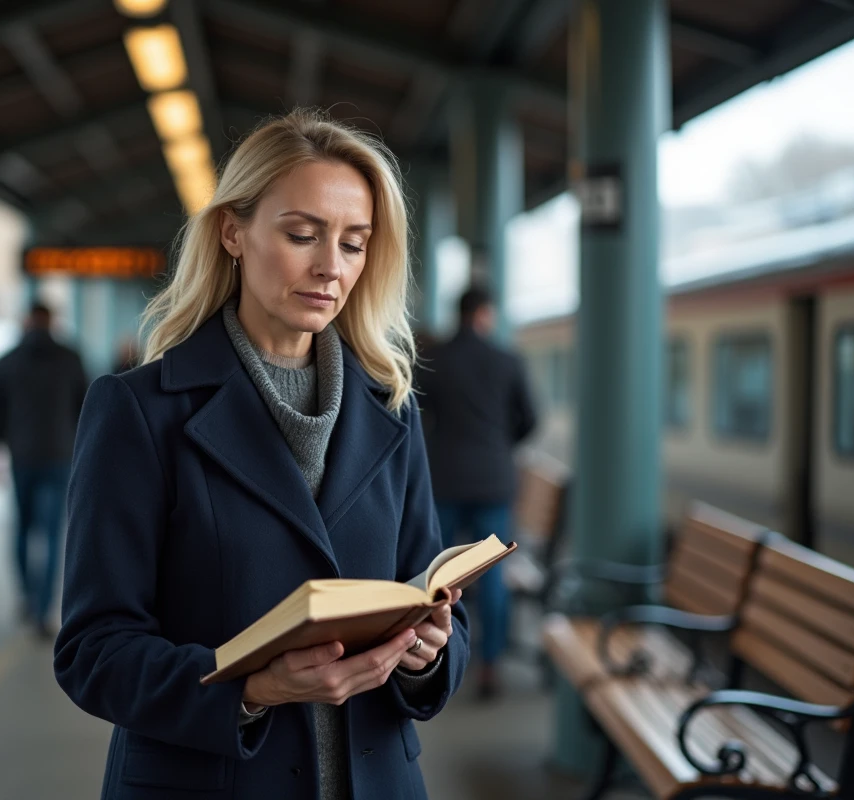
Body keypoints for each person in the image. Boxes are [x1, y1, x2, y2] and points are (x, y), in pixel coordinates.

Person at [54, 109, 470, 800]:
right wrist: (252, 689)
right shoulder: (139, 410)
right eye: (302, 234)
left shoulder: (392, 409)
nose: (330, 268)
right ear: (232, 232)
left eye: (355, 243)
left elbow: (428, 595)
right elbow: (93, 651)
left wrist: (429, 653)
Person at [416, 284, 537, 699]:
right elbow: (530, 420)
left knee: (438, 575)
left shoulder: (434, 359)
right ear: (486, 314)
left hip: (444, 479)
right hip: (492, 482)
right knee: (494, 576)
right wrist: (499, 446)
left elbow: (417, 412)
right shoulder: (508, 360)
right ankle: (490, 667)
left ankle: (439, 655)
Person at [0, 303, 88, 638]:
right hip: (60, 457)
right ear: (51, 322)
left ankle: (27, 596)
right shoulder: (71, 359)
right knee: (54, 533)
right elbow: (86, 410)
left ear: (26, 322)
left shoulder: (7, 362)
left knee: (23, 530)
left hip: (22, 457)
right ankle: (42, 611)